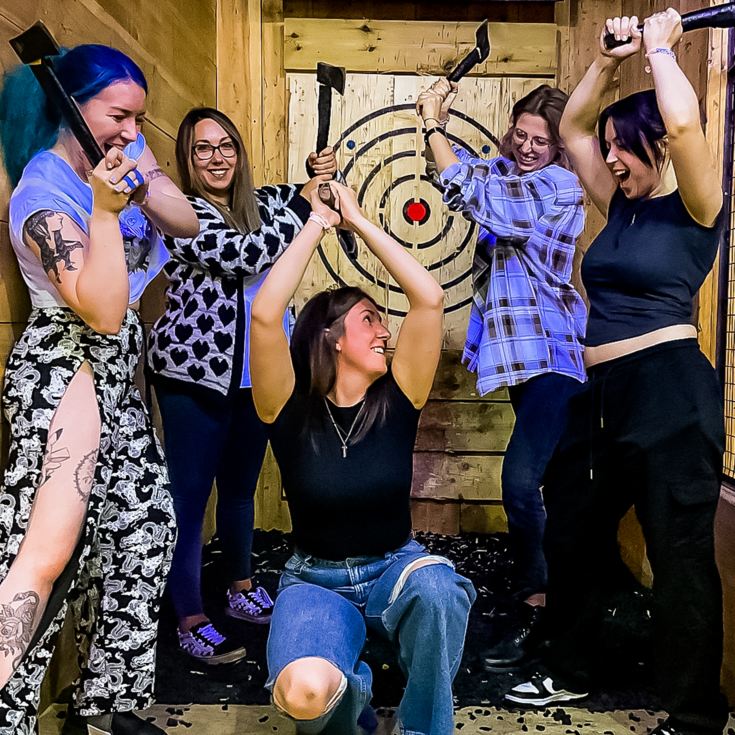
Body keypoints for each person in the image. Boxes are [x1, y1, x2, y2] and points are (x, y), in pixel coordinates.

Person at [506, 11, 729, 735]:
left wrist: (661, 48)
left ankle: (694, 714)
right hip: (597, 395)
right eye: (607, 151)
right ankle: (570, 669)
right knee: (570, 529)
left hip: (668, 391)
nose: (608, 160)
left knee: (679, 552)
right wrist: (606, 62)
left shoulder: (695, 205)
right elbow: (571, 129)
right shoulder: (619, 206)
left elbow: (689, 129)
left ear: (653, 146)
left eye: (620, 149)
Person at [0, 44, 199, 735]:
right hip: (67, 369)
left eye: (139, 118)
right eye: (119, 115)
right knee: (48, 552)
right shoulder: (42, 195)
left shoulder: (118, 162)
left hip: (117, 373)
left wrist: (134, 185)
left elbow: (187, 220)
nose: (133, 133)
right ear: (74, 108)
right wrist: (107, 213)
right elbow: (103, 309)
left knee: (144, 533)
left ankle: (103, 705)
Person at [249, 180, 476, 735]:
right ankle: (354, 704)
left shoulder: (400, 397)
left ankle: (423, 728)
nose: (385, 330)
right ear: (330, 338)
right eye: (370, 320)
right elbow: (263, 313)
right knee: (304, 694)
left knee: (439, 591)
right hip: (315, 582)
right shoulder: (287, 404)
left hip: (394, 568)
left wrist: (359, 222)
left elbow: (429, 298)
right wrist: (316, 223)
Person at [147, 107, 337, 664]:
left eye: (226, 145)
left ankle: (240, 588)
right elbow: (249, 253)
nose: (216, 157)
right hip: (192, 379)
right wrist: (306, 198)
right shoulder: (180, 214)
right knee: (187, 499)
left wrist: (317, 174)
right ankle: (189, 617)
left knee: (238, 490)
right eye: (203, 148)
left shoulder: (261, 203)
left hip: (255, 379)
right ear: (187, 157)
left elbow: (310, 196)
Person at [415, 81, 586, 668]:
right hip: (524, 360)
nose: (528, 147)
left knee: (519, 481)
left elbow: (477, 194)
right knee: (553, 482)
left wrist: (434, 126)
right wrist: (440, 111)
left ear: (562, 150)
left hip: (555, 358)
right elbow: (477, 171)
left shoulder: (558, 186)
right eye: (521, 134)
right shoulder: (512, 173)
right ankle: (557, 593)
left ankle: (538, 596)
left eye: (542, 140)